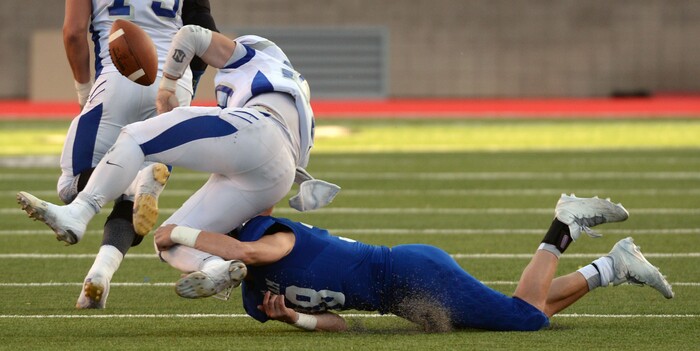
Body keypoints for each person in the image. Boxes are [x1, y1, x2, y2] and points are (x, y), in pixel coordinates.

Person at [17, 25, 339, 304]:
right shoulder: (302, 109)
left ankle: (79, 212)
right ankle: (214, 267)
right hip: (277, 176)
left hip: (259, 130)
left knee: (135, 138)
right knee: (169, 239)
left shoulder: (256, 57)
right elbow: (265, 195)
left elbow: (191, 35)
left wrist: (167, 87)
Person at [154, 194, 674, 332]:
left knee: (526, 319)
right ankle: (612, 264)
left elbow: (243, 252)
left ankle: (566, 224)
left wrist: (172, 232)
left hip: (410, 274)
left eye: (210, 261)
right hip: (400, 302)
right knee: (520, 310)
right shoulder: (255, 301)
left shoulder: (266, 239)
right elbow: (340, 323)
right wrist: (296, 318)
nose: (218, 272)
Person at [48, 0, 218, 309]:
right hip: (172, 81)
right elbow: (206, 32)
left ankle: (130, 184)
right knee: (133, 204)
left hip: (117, 78)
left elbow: (73, 32)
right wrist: (186, 84)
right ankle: (99, 275)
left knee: (70, 187)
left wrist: (83, 90)